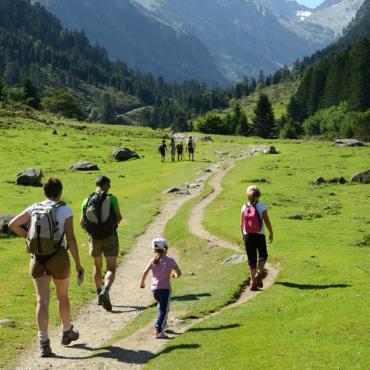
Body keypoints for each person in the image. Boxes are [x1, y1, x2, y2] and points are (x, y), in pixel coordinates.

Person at [9, 178, 84, 358]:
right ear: (60, 192)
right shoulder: (64, 209)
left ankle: (44, 343)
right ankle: (67, 331)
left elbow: (13, 224)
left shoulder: (34, 207)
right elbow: (71, 239)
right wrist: (78, 264)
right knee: (62, 297)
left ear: (44, 192)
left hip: (37, 259)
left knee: (42, 301)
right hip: (58, 256)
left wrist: (28, 238)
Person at [80, 176, 122, 311]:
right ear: (106, 185)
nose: (110, 187)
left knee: (97, 266)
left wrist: (92, 232)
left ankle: (99, 294)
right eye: (109, 185)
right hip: (110, 236)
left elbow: (82, 223)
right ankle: (106, 290)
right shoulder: (112, 198)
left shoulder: (86, 200)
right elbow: (119, 217)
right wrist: (111, 227)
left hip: (94, 238)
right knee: (111, 268)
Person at [140, 238, 181, 338]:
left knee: (161, 307)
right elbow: (179, 274)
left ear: (154, 249)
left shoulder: (152, 261)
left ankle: (163, 325)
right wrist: (174, 275)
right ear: (166, 248)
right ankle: (159, 331)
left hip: (154, 290)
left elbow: (145, 272)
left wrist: (142, 283)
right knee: (164, 310)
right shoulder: (170, 260)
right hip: (165, 289)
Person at [240, 185, 273, 291]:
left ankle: (253, 281)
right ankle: (259, 273)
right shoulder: (261, 205)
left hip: (248, 235)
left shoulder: (244, 207)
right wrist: (271, 232)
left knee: (251, 259)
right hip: (259, 235)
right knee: (263, 255)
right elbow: (266, 220)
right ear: (258, 195)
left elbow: (241, 224)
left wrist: (244, 236)